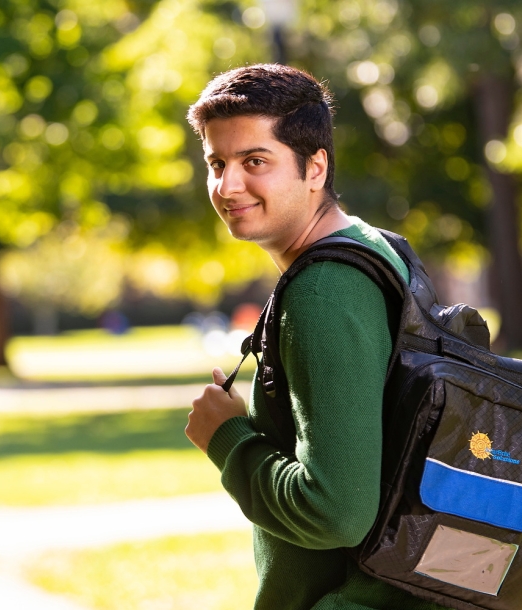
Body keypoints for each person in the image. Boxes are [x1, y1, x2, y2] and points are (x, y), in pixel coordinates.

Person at [183, 64, 446, 610]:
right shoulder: (375, 247)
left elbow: (335, 512)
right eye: (217, 163)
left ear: (315, 167)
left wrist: (227, 438)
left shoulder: (325, 289)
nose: (228, 186)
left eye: (255, 161)